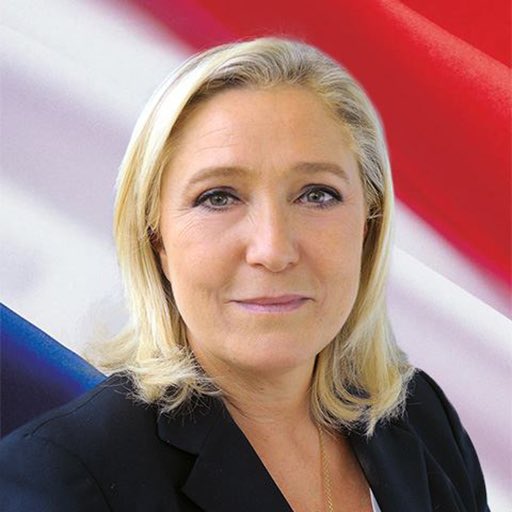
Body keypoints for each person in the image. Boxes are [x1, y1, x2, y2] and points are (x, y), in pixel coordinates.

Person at [0, 37, 489, 511]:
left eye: (317, 194)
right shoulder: (61, 475)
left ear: (368, 225)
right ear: (156, 238)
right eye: (219, 197)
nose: (273, 250)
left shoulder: (422, 417)